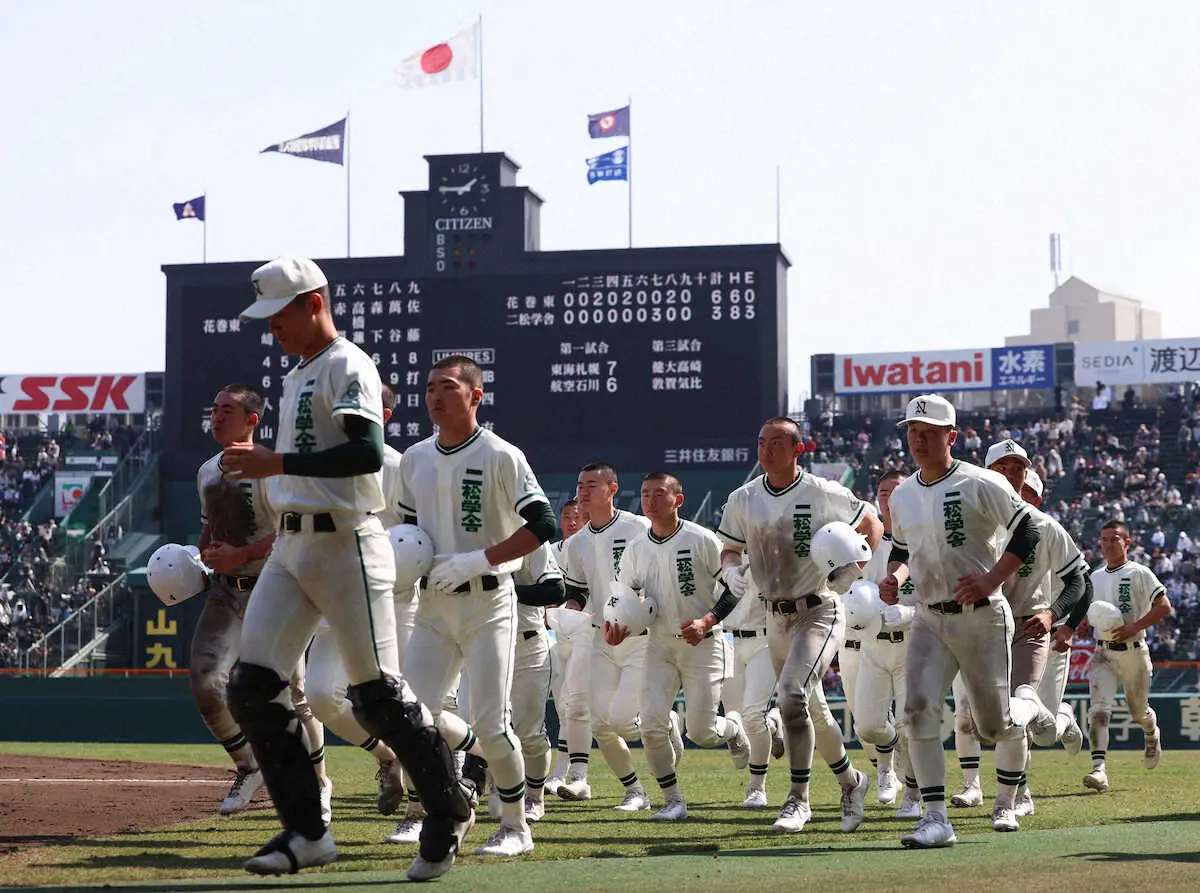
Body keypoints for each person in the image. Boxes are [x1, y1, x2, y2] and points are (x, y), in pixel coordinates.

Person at [222, 256, 473, 881]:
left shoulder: (348, 364)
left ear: (314, 302)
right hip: (292, 543)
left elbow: (365, 453)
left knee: (376, 696)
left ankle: (449, 808)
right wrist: (279, 472)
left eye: (279, 312)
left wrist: (276, 464)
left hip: (346, 543)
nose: (271, 326)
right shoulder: (299, 372)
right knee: (251, 687)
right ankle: (308, 832)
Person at [302, 384, 481, 843]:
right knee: (320, 696)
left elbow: (422, 535)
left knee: (412, 706)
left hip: (396, 601)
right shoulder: (320, 466)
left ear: (382, 414)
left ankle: (430, 800)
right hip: (338, 600)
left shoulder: (401, 466)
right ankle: (387, 756)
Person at [397, 354, 557, 857]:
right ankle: (457, 794)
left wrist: (479, 560)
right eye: (429, 387)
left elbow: (543, 524)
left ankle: (515, 826)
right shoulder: (414, 458)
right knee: (410, 715)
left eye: (447, 386)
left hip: (488, 601)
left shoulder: (501, 454)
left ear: (475, 396)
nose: (434, 396)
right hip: (432, 604)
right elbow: (406, 531)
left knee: (493, 722)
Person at [882, 395, 1057, 847]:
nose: (918, 439)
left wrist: (991, 579)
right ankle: (936, 819)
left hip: (982, 616)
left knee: (994, 726)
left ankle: (1029, 706)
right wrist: (895, 576)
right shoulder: (902, 495)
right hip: (928, 616)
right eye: (912, 431)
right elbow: (901, 548)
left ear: (952, 436)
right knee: (916, 712)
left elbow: (1029, 529)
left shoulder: (982, 482)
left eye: (929, 431)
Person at [717, 416, 883, 834]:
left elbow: (872, 522)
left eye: (777, 443)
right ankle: (852, 782)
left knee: (791, 695)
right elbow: (729, 548)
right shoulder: (743, 498)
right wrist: (731, 569)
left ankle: (798, 799)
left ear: (798, 449)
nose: (766, 450)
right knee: (812, 709)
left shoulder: (823, 491)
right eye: (762, 442)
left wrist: (854, 569)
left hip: (818, 609)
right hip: (774, 616)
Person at [190, 384, 331, 820]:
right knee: (205, 681)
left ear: (252, 421)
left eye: (227, 410)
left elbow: (290, 532)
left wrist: (241, 554)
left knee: (296, 693)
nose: (216, 417)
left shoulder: (271, 470)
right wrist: (198, 557)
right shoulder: (206, 472)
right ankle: (249, 766)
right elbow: (209, 529)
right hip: (224, 591)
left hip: (275, 588)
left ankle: (319, 783)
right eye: (214, 409)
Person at [611, 472, 751, 820]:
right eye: (645, 493)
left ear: (679, 500)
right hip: (659, 645)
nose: (650, 500)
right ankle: (672, 800)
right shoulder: (636, 549)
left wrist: (706, 621)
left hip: (704, 643)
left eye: (659, 493)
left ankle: (734, 728)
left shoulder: (702, 539)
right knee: (650, 724)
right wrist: (619, 629)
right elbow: (624, 600)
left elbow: (734, 591)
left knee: (702, 732)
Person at [556, 463, 660, 810]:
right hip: (600, 638)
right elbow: (577, 591)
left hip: (639, 638)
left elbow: (657, 577)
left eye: (591, 485)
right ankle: (635, 792)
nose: (583, 492)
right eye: (580, 485)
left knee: (623, 722)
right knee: (599, 722)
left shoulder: (638, 527)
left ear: (612, 490)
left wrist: (639, 609)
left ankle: (666, 723)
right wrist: (569, 610)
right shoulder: (576, 544)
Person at [1084, 520, 1172, 793]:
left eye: (1115, 539)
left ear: (1127, 542)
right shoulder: (1095, 577)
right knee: (1099, 711)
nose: (1108, 544)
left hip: (1134, 651)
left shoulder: (1139, 572)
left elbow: (1164, 606)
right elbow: (1090, 612)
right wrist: (1081, 625)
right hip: (1103, 652)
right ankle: (1098, 770)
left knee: (1138, 713)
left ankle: (1151, 731)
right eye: (1104, 539)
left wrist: (1134, 627)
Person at [855, 469, 922, 819]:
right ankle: (889, 760)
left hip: (913, 645)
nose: (888, 498)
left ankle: (913, 793)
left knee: (912, 723)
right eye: (883, 492)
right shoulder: (865, 545)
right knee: (867, 726)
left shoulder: (924, 539)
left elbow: (940, 599)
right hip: (872, 645)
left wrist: (910, 614)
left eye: (895, 491)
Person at [720, 563, 786, 808]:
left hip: (765, 639)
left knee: (753, 716)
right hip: (728, 638)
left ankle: (757, 787)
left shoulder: (772, 552)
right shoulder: (721, 553)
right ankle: (774, 722)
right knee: (735, 717)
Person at [546, 499, 585, 790]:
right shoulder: (550, 551)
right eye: (566, 516)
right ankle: (565, 773)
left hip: (591, 638)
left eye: (577, 516)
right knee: (564, 708)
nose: (572, 522)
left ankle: (568, 774)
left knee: (589, 711)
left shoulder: (593, 548)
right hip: (559, 639)